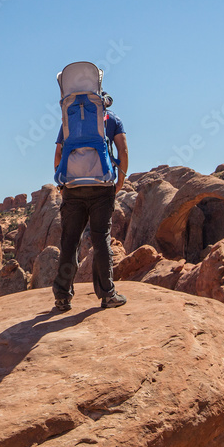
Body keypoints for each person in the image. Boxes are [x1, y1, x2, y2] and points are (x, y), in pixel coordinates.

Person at [52, 91, 129, 312]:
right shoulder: (112, 119)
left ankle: (62, 297)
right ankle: (107, 295)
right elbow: (123, 149)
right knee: (101, 240)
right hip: (102, 186)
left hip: (73, 187)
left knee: (70, 242)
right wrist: (120, 180)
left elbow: (58, 153)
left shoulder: (70, 119)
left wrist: (61, 182)